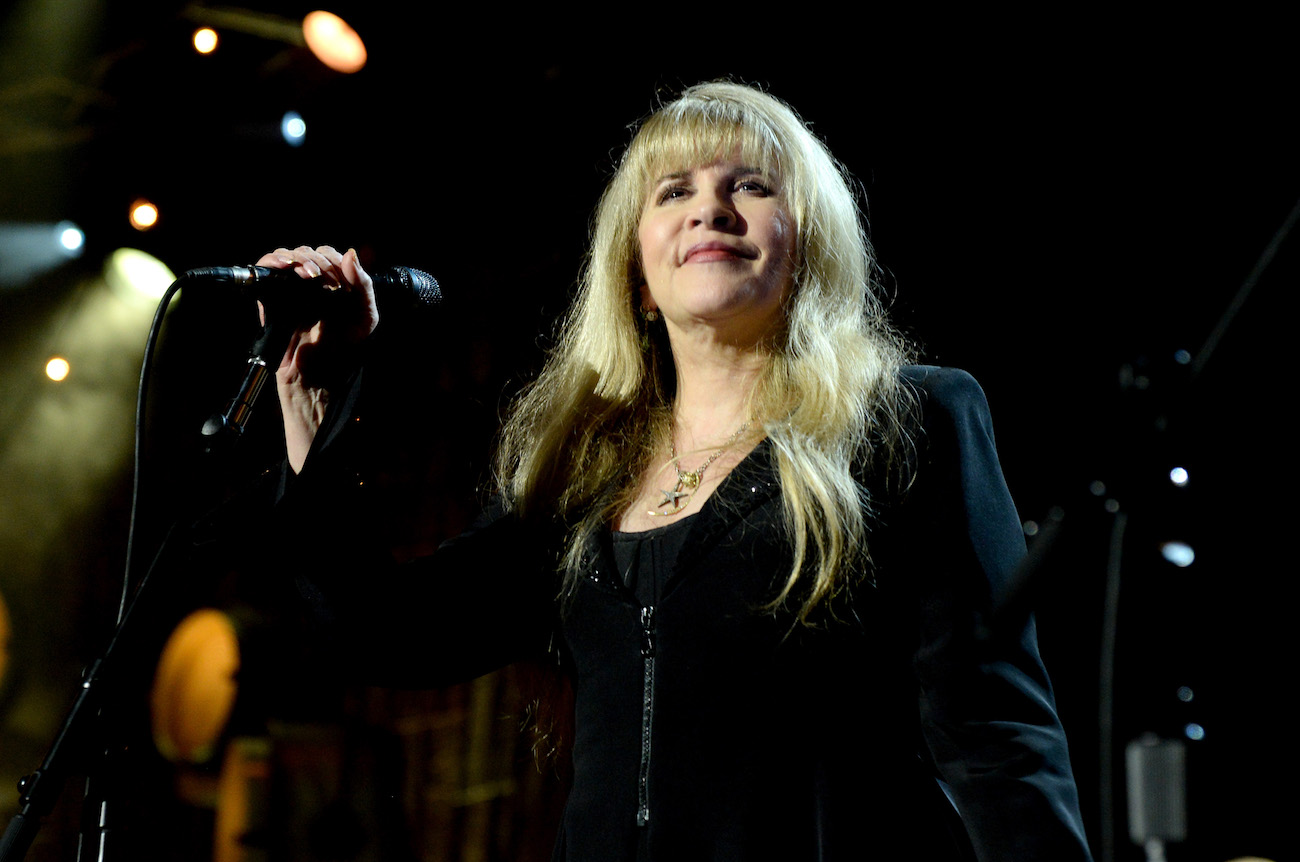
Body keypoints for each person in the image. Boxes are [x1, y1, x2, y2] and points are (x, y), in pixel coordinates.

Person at [255, 81, 1093, 860]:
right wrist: (309, 407)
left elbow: (996, 738)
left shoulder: (908, 423)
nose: (711, 210)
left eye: (752, 187)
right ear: (639, 277)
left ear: (808, 243)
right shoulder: (580, 482)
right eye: (674, 192)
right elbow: (387, 631)